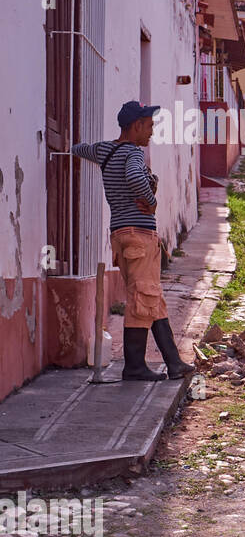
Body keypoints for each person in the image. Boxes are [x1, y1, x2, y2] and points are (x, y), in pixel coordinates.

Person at [71, 101, 195, 382]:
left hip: (121, 234)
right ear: (136, 125)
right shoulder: (133, 153)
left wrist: (71, 146)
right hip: (139, 234)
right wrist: (151, 203)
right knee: (142, 299)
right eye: (149, 126)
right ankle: (135, 367)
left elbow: (80, 149)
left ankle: (174, 362)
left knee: (151, 297)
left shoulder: (106, 150)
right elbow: (135, 178)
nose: (151, 132)